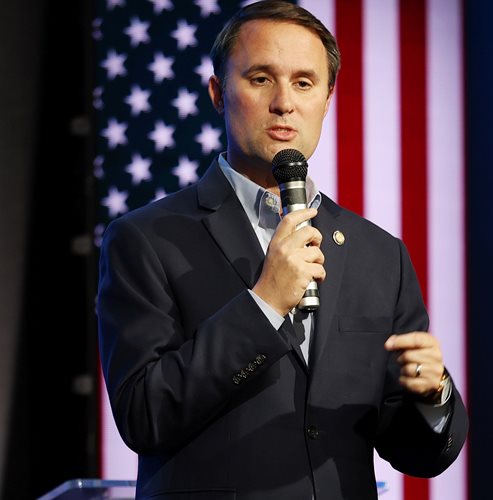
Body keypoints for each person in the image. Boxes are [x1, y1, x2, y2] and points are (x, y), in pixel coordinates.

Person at [97, 2, 468, 499]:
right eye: (260, 79)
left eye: (304, 83)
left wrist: (432, 394)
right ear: (217, 93)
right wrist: (264, 304)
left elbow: (416, 454)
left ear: (327, 99)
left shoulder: (381, 254)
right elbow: (144, 415)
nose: (284, 103)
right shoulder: (145, 238)